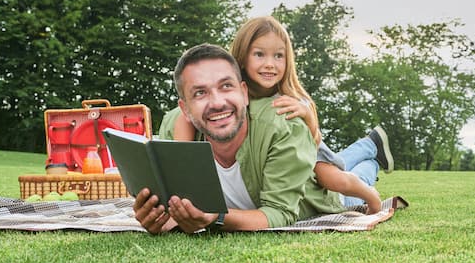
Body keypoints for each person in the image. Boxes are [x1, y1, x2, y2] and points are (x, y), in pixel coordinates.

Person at [158, 16, 393, 214]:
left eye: (278, 56)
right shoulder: (226, 93)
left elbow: (313, 143)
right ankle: (370, 146)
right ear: (242, 56)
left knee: (337, 181)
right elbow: (185, 117)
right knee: (341, 169)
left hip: (308, 152)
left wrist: (309, 120)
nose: (270, 64)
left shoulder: (290, 98)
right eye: (259, 55)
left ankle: (370, 180)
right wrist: (182, 172)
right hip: (279, 152)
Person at [134, 43, 345, 234]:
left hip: (323, 193)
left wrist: (217, 217)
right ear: (185, 109)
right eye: (200, 93)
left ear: (244, 93)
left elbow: (280, 213)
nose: (217, 103)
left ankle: (368, 147)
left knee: (356, 175)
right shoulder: (174, 129)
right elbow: (175, 210)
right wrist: (160, 219)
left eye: (226, 86)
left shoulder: (284, 126)